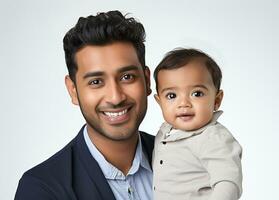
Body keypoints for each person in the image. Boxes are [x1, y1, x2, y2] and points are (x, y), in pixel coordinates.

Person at [15, 10, 154, 200]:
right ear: (73, 90)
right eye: (96, 82)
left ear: (146, 81)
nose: (115, 97)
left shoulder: (188, 157)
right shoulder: (42, 189)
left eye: (127, 77)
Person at [152, 48, 243, 200]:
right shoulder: (165, 132)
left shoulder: (212, 137)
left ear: (216, 100)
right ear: (159, 102)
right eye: (171, 95)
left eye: (197, 93)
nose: (183, 103)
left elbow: (228, 182)